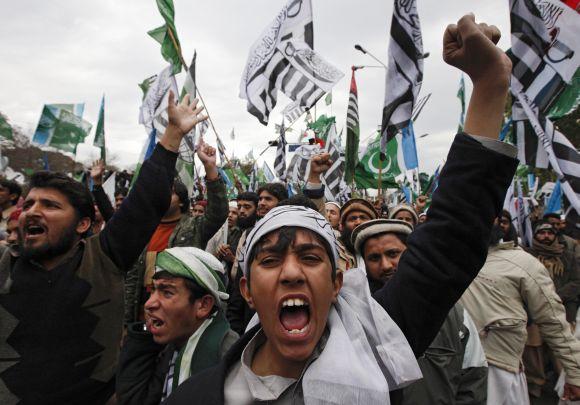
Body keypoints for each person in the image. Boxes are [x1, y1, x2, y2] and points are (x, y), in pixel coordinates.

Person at [164, 14, 520, 404]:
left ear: (337, 282)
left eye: (310, 256)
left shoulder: (378, 345)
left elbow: (450, 241)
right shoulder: (194, 396)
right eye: (269, 261)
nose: (292, 273)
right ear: (246, 290)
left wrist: (489, 85)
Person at [0, 91, 209, 403]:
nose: (32, 211)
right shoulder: (4, 265)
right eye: (28, 203)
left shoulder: (103, 259)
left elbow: (145, 202)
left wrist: (173, 135)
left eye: (50, 205)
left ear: (83, 224)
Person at [354, 219, 488, 404]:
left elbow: (473, 378)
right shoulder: (354, 317)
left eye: (393, 254)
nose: (385, 265)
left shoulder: (455, 315)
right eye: (374, 258)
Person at [461, 220, 580, 404]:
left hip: (500, 372)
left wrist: (575, 373)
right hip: (451, 371)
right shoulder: (444, 261)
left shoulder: (521, 263)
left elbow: (553, 322)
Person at [116, 247, 238, 405]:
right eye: (153, 290)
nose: (149, 304)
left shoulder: (228, 357)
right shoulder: (173, 343)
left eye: (167, 292)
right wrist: (144, 334)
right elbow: (134, 399)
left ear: (203, 305)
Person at [124, 162, 228, 325]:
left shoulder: (194, 227)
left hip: (177, 317)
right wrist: (127, 322)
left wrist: (210, 169)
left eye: (169, 192)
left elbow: (218, 212)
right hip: (144, 315)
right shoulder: (145, 229)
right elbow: (133, 277)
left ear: (181, 201)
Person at [337, 198, 377, 271]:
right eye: (352, 219)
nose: (358, 222)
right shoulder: (336, 250)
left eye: (363, 218)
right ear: (343, 226)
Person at [206, 201, 242, 277]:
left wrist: (232, 259)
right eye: (228, 212)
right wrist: (219, 253)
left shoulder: (242, 233)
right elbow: (207, 256)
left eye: (234, 213)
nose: (230, 215)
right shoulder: (217, 231)